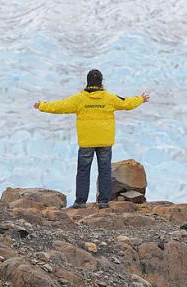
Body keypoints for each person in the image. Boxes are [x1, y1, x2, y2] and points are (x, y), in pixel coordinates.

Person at [34, 69, 149, 208]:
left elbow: (60, 106)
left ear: (87, 82)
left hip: (87, 141)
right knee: (105, 170)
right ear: (101, 82)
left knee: (83, 171)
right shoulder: (109, 98)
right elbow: (127, 103)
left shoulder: (79, 99)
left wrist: (42, 105)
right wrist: (141, 99)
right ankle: (103, 202)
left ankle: (80, 202)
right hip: (104, 140)